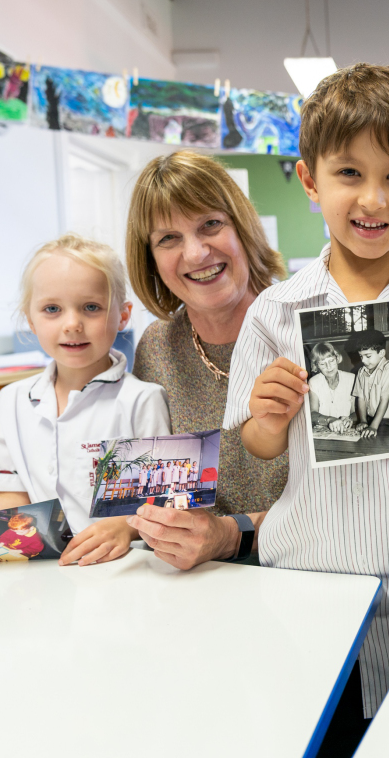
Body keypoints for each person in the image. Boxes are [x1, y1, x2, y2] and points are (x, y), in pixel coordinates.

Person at [144, 64, 389, 744]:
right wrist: (268, 417)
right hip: (305, 590)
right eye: (349, 173)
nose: (372, 198)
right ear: (310, 180)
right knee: (318, 736)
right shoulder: (277, 312)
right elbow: (257, 445)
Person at [0, 234, 171, 573]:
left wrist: (124, 526)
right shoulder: (11, 401)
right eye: (52, 309)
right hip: (42, 572)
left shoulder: (141, 400)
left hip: (122, 569)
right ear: (30, 319)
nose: (72, 323)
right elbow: (15, 500)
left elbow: (159, 502)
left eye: (91, 307)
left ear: (122, 316)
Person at [126, 150, 291, 526]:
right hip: (201, 575)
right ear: (149, 258)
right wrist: (131, 527)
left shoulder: (306, 325)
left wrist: (234, 533)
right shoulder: (157, 349)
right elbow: (159, 494)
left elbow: (350, 499)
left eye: (211, 225)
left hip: (312, 565)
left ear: (242, 228)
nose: (196, 253)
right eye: (169, 237)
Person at [347, 328, 389, 442]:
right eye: (361, 356)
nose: (363, 360)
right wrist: (363, 421)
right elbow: (361, 398)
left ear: (382, 353)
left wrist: (373, 426)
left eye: (368, 356)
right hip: (370, 420)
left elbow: (385, 399)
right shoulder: (361, 372)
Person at [308, 341, 356, 432]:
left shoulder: (352, 379)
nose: (328, 366)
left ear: (337, 358)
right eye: (322, 364)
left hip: (346, 430)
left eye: (331, 361)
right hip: (323, 432)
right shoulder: (313, 382)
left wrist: (350, 419)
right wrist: (330, 420)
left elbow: (357, 412)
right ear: (316, 365)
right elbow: (312, 413)